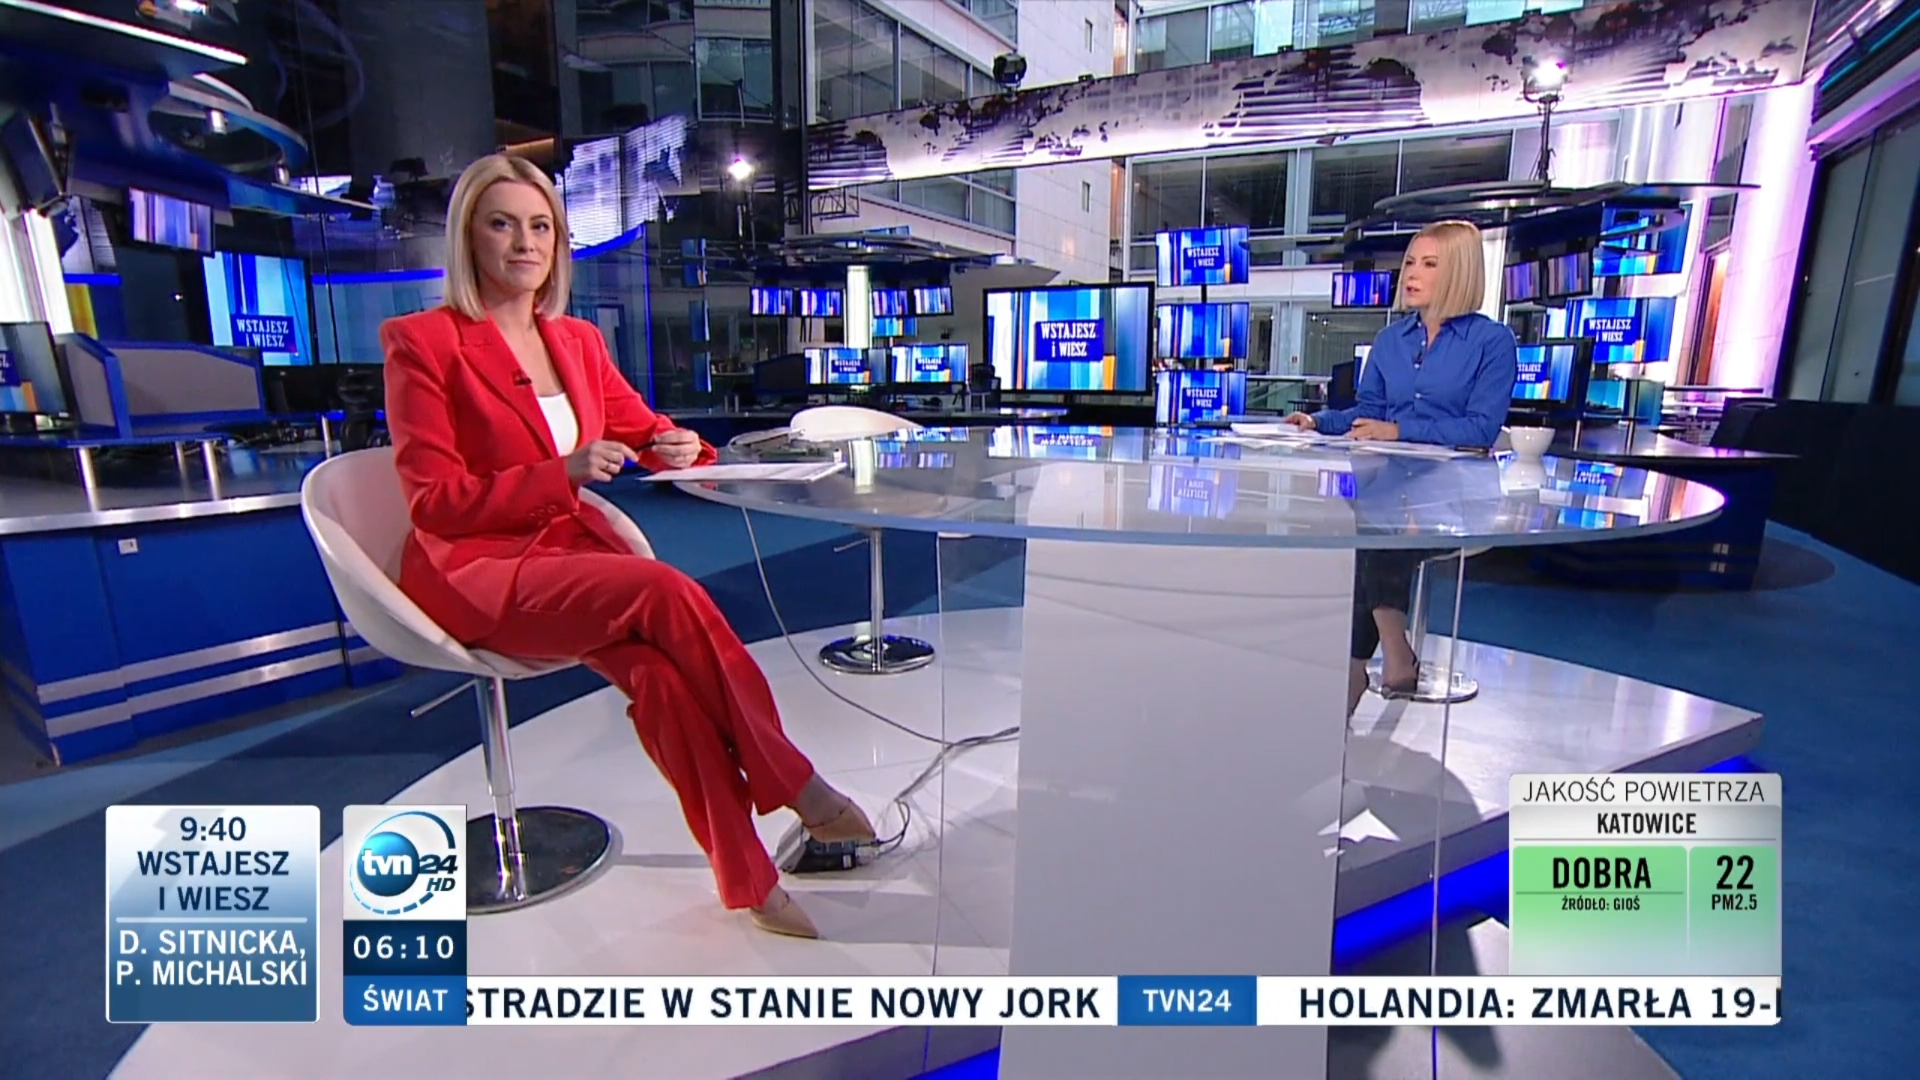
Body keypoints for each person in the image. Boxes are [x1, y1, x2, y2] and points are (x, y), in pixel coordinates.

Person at [381, 153, 872, 939]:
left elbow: (647, 431)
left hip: (567, 560)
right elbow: (434, 505)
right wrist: (561, 473)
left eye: (540, 227)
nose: (524, 244)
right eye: (501, 225)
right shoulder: (423, 342)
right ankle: (801, 788)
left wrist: (679, 446)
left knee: (661, 677)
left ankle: (746, 878)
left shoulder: (574, 341)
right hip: (476, 569)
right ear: (468, 237)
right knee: (663, 589)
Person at [1283, 220, 1517, 716]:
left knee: (1376, 527)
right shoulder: (1391, 340)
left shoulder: (1492, 341)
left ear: (1459, 272)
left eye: (1429, 264)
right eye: (1410, 262)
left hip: (1458, 493)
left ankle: (1372, 662)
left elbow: (1480, 429)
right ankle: (1386, 658)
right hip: (1392, 488)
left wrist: (1399, 430)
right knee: (1368, 521)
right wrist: (1318, 421)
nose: (1411, 274)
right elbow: (1368, 412)